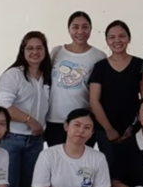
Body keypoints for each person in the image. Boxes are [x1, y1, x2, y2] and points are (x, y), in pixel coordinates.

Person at [0, 31, 51, 187]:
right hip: (13, 139)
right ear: (23, 51)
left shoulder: (46, 75)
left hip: (35, 142)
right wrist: (30, 120)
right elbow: (5, 106)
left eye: (39, 48)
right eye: (30, 48)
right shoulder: (14, 75)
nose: (35, 52)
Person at [89, 20, 143, 187]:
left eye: (122, 36)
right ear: (107, 41)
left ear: (129, 38)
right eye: (112, 37)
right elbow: (94, 100)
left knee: (132, 175)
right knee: (110, 177)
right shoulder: (100, 67)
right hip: (106, 132)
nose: (117, 41)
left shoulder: (139, 64)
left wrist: (135, 127)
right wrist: (109, 129)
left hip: (133, 131)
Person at [45, 11, 106, 147]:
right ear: (69, 29)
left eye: (85, 27)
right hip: (55, 119)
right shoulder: (57, 52)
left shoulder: (99, 56)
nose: (80, 31)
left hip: (83, 122)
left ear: (91, 29)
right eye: (75, 27)